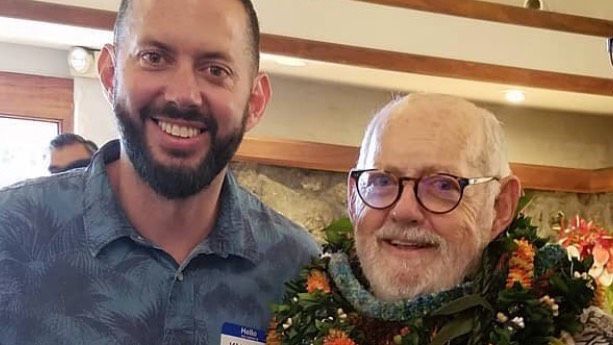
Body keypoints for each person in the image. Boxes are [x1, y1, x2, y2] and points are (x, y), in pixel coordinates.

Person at [0, 0, 319, 344]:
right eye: (154, 57)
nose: (183, 95)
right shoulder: (11, 234)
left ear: (254, 102)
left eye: (215, 70)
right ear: (110, 74)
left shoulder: (297, 270)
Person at [267, 94, 613, 345]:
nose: (404, 210)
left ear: (500, 208)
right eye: (382, 181)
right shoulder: (293, 320)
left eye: (443, 185)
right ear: (353, 197)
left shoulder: (578, 331)